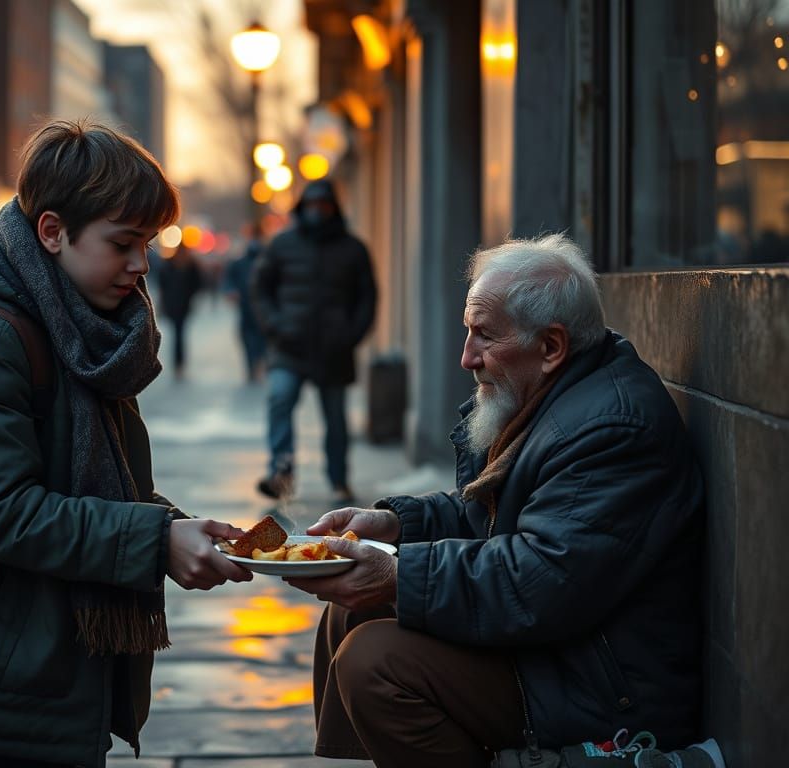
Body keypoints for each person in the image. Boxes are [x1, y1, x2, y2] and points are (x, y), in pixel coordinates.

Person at [0, 119, 252, 768]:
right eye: (123, 243)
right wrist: (156, 542)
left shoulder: (79, 324)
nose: (142, 265)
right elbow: (4, 512)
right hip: (1, 654)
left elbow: (83, 479)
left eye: (147, 243)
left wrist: (176, 527)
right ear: (53, 232)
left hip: (54, 647)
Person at [286, 234, 707, 768]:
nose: (467, 358)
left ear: (551, 347)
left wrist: (398, 575)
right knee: (354, 610)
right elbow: (485, 516)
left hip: (605, 686)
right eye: (468, 332)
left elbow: (540, 580)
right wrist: (393, 525)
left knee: (374, 663)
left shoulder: (613, 429)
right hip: (560, 644)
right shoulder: (556, 395)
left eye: (484, 336)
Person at [251, 179, 377, 503]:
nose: (317, 211)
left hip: (334, 351)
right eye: (311, 204)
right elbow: (261, 288)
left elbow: (367, 297)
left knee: (335, 419)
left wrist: (351, 335)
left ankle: (339, 480)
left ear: (334, 208)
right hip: (289, 347)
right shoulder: (282, 244)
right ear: (301, 207)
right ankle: (281, 474)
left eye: (323, 205)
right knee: (280, 399)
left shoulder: (353, 249)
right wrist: (275, 325)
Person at [221, 222, 267, 382]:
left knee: (261, 340)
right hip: (246, 308)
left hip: (263, 309)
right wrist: (231, 291)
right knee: (247, 339)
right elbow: (229, 280)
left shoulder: (268, 259)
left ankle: (258, 364)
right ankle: (251, 367)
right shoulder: (239, 262)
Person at [156, 242, 202, 377]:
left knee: (178, 333)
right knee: (179, 333)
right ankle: (179, 362)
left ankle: (178, 362)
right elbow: (163, 285)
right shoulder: (181, 264)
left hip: (180, 305)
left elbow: (197, 284)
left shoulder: (189, 265)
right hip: (175, 305)